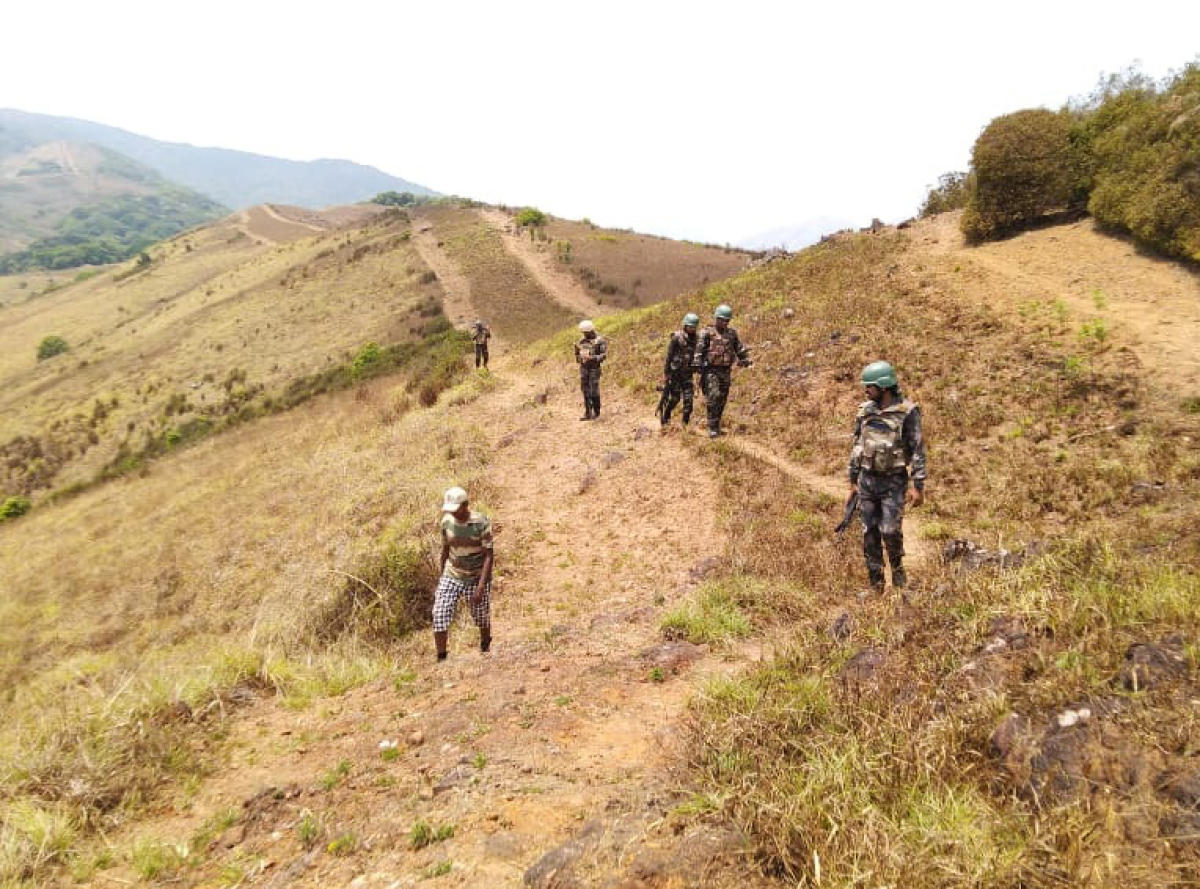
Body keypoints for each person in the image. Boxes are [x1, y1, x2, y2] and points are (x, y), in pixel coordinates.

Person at [848, 361, 927, 592]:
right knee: (869, 533)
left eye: (870, 386)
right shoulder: (865, 411)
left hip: (893, 482)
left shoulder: (907, 412)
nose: (866, 390)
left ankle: (899, 576)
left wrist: (918, 486)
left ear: (884, 386)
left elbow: (917, 449)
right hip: (866, 481)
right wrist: (852, 481)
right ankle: (876, 585)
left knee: (890, 530)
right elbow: (857, 446)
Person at [433, 486, 494, 660]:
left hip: (476, 576)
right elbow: (445, 550)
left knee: (481, 615)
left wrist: (481, 586)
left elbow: (489, 556)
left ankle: (485, 647)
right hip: (452, 573)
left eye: (457, 509)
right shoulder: (446, 522)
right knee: (440, 614)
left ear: (465, 505)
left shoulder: (481, 522)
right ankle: (441, 657)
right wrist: (441, 578)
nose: (454, 513)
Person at [693, 304, 751, 438]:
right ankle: (712, 426)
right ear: (716, 318)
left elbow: (739, 348)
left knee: (722, 399)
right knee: (713, 396)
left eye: (727, 320)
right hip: (710, 370)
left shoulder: (732, 333)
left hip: (725, 370)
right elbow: (699, 351)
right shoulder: (706, 333)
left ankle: (716, 423)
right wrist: (697, 365)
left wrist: (745, 359)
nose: (724, 322)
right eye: (722, 319)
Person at [660, 312, 699, 429]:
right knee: (675, 399)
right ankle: (666, 415)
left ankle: (685, 425)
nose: (692, 329)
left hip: (688, 375)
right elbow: (669, 356)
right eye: (690, 326)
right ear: (685, 325)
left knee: (689, 401)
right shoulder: (677, 337)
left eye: (694, 327)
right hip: (675, 374)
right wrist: (666, 374)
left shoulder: (697, 339)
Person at [574, 319, 607, 420]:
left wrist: (592, 358)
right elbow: (577, 357)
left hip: (594, 369)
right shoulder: (581, 341)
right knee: (585, 390)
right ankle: (588, 413)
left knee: (594, 391)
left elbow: (603, 356)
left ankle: (596, 413)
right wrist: (578, 354)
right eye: (584, 333)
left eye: (586, 333)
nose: (585, 335)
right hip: (584, 368)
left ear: (591, 331)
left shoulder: (600, 341)